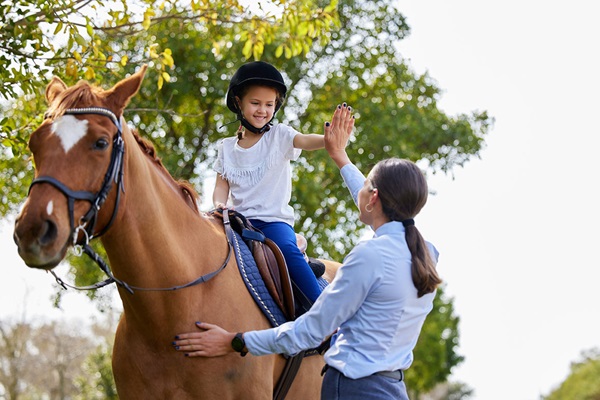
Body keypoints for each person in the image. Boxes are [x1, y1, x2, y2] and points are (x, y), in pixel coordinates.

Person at [174, 104, 443, 399]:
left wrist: (234, 341)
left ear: (374, 198)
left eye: (367, 185)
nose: (361, 191)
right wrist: (339, 156)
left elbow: (311, 331)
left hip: (351, 390)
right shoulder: (426, 253)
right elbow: (371, 200)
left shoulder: (368, 257)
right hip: (392, 388)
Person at [213, 60, 328, 303]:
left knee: (286, 250)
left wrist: (329, 139)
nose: (262, 110)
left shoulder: (280, 136)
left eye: (269, 104)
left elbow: (305, 141)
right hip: (236, 221)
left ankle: (323, 313)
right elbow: (221, 184)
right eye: (255, 103)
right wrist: (219, 204)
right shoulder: (226, 148)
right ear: (238, 102)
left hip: (271, 222)